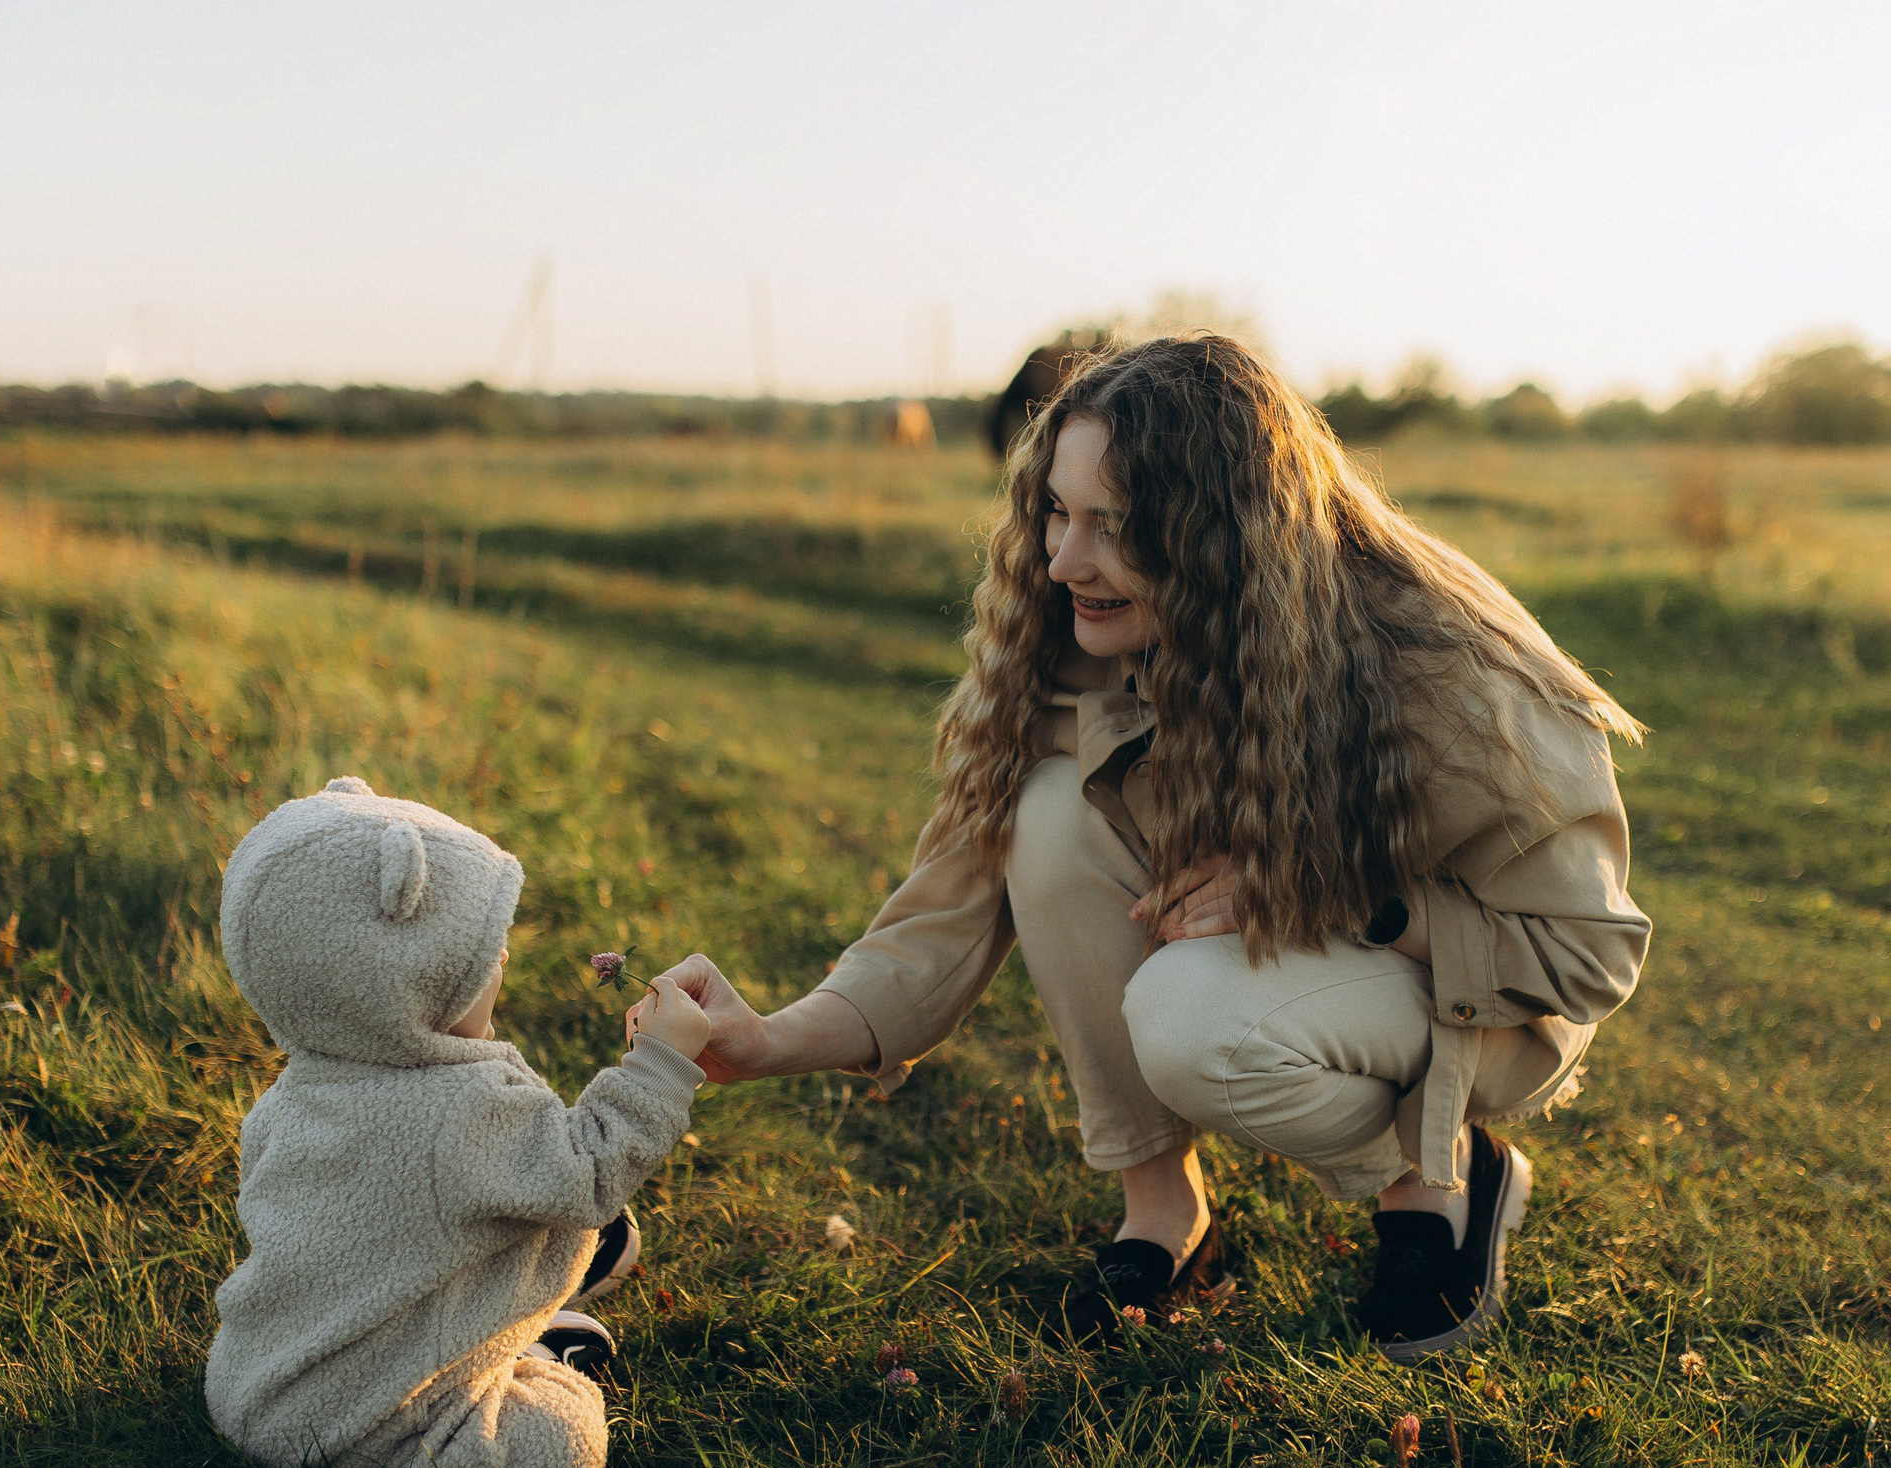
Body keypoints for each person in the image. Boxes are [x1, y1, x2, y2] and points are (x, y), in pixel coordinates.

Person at [666, 334, 1649, 1362]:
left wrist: (1321, 897)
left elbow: (1589, 958)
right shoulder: (1081, 628)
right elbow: (943, 911)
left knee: (1191, 1024)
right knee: (1045, 814)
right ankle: (1162, 1210)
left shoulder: (1444, 671)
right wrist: (772, 1039)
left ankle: (1437, 1177)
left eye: (1114, 525)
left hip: (1475, 999)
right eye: (1056, 510)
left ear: (1224, 535)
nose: (1061, 560)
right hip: (1300, 951)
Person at [204, 777, 710, 1468]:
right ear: (397, 976)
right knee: (563, 1447)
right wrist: (660, 1064)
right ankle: (533, 1346)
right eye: (480, 952)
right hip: (366, 1434)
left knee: (466, 1227)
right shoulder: (459, 1111)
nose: (500, 960)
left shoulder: (298, 1089)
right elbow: (591, 1169)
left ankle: (530, 1283)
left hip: (252, 1386)